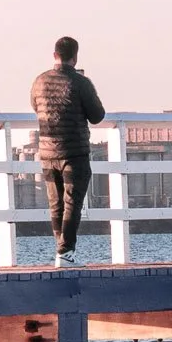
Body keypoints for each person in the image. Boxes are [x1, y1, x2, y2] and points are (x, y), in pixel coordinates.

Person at [29, 35, 105, 261]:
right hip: (75, 153)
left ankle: (60, 251)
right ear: (75, 57)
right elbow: (97, 116)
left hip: (47, 153)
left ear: (55, 55)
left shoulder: (39, 81)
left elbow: (35, 106)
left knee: (56, 204)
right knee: (72, 203)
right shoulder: (81, 83)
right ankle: (66, 253)